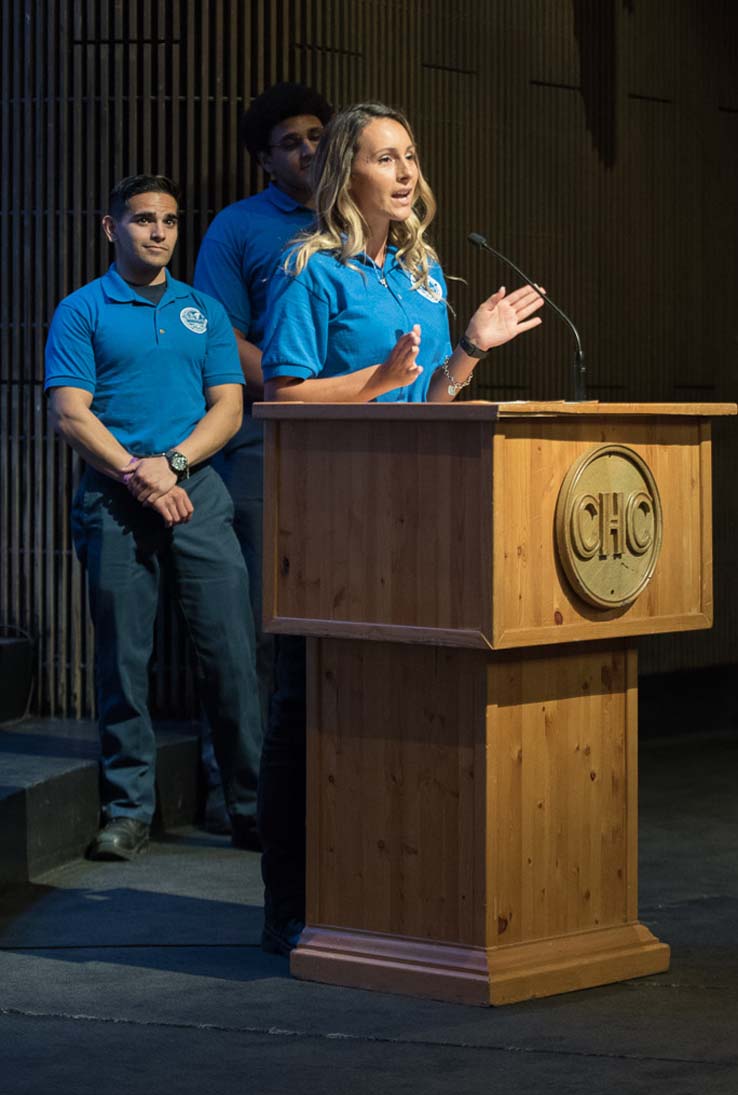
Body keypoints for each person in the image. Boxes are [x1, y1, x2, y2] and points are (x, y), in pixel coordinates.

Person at [256, 102, 545, 953]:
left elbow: (431, 402)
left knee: (394, 707)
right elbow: (283, 395)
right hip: (328, 520)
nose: (407, 171)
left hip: (411, 520)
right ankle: (288, 905)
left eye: (411, 155)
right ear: (345, 171)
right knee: (304, 710)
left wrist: (471, 350)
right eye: (386, 157)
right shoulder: (309, 268)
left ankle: (380, 896)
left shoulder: (423, 269)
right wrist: (375, 381)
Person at [44, 174, 262, 860]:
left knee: (231, 655)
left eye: (168, 219)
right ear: (112, 229)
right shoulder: (82, 309)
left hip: (196, 492)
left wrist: (172, 463)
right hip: (114, 497)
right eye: (143, 219)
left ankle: (248, 804)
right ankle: (127, 809)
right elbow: (70, 414)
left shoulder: (203, 310)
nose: (160, 231)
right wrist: (140, 475)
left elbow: (229, 406)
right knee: (123, 661)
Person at [193, 83, 333, 833]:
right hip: (263, 442)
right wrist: (299, 389)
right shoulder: (239, 227)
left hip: (356, 447)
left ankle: (331, 784)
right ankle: (243, 797)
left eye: (318, 135)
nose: (308, 150)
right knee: (255, 624)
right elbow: (220, 337)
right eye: (291, 142)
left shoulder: (355, 215)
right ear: (264, 161)